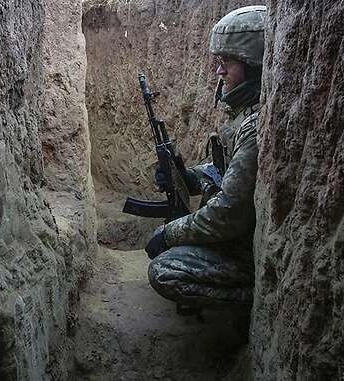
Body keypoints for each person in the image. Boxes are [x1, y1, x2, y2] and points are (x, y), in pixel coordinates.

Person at [145, 5, 266, 316]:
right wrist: (188, 176)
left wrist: (170, 233)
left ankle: (253, 301)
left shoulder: (253, 128)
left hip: (242, 250)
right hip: (235, 238)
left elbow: (229, 213)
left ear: (254, 67)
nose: (219, 72)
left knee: (164, 271)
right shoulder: (242, 117)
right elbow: (222, 174)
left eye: (227, 63)